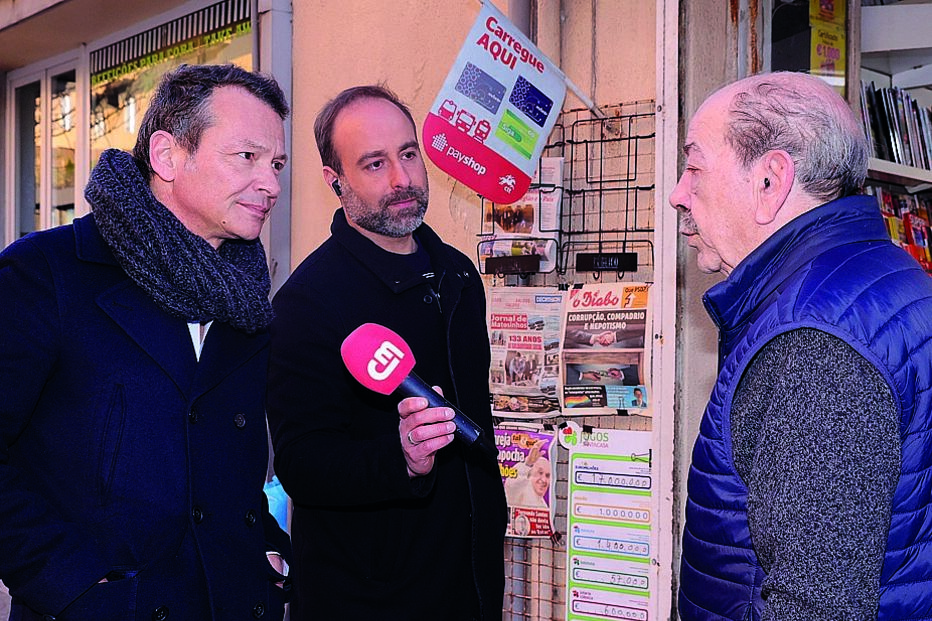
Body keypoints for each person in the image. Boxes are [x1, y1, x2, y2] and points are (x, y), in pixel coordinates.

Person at [0, 64, 292, 620]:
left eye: (276, 163)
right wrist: (74, 586)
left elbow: (218, 471)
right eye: (247, 157)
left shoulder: (245, 299)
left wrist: (268, 550)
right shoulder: (46, 274)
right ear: (166, 157)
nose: (272, 184)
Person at [672, 71, 932, 621]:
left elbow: (816, 605)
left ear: (770, 181)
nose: (677, 194)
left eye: (694, 167)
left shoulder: (812, 346)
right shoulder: (887, 280)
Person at [266, 84, 506, 621]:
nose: (401, 179)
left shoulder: (458, 275)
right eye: (374, 164)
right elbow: (302, 465)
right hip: (366, 599)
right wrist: (399, 457)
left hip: (473, 587)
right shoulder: (307, 303)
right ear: (336, 182)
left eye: (407, 153)